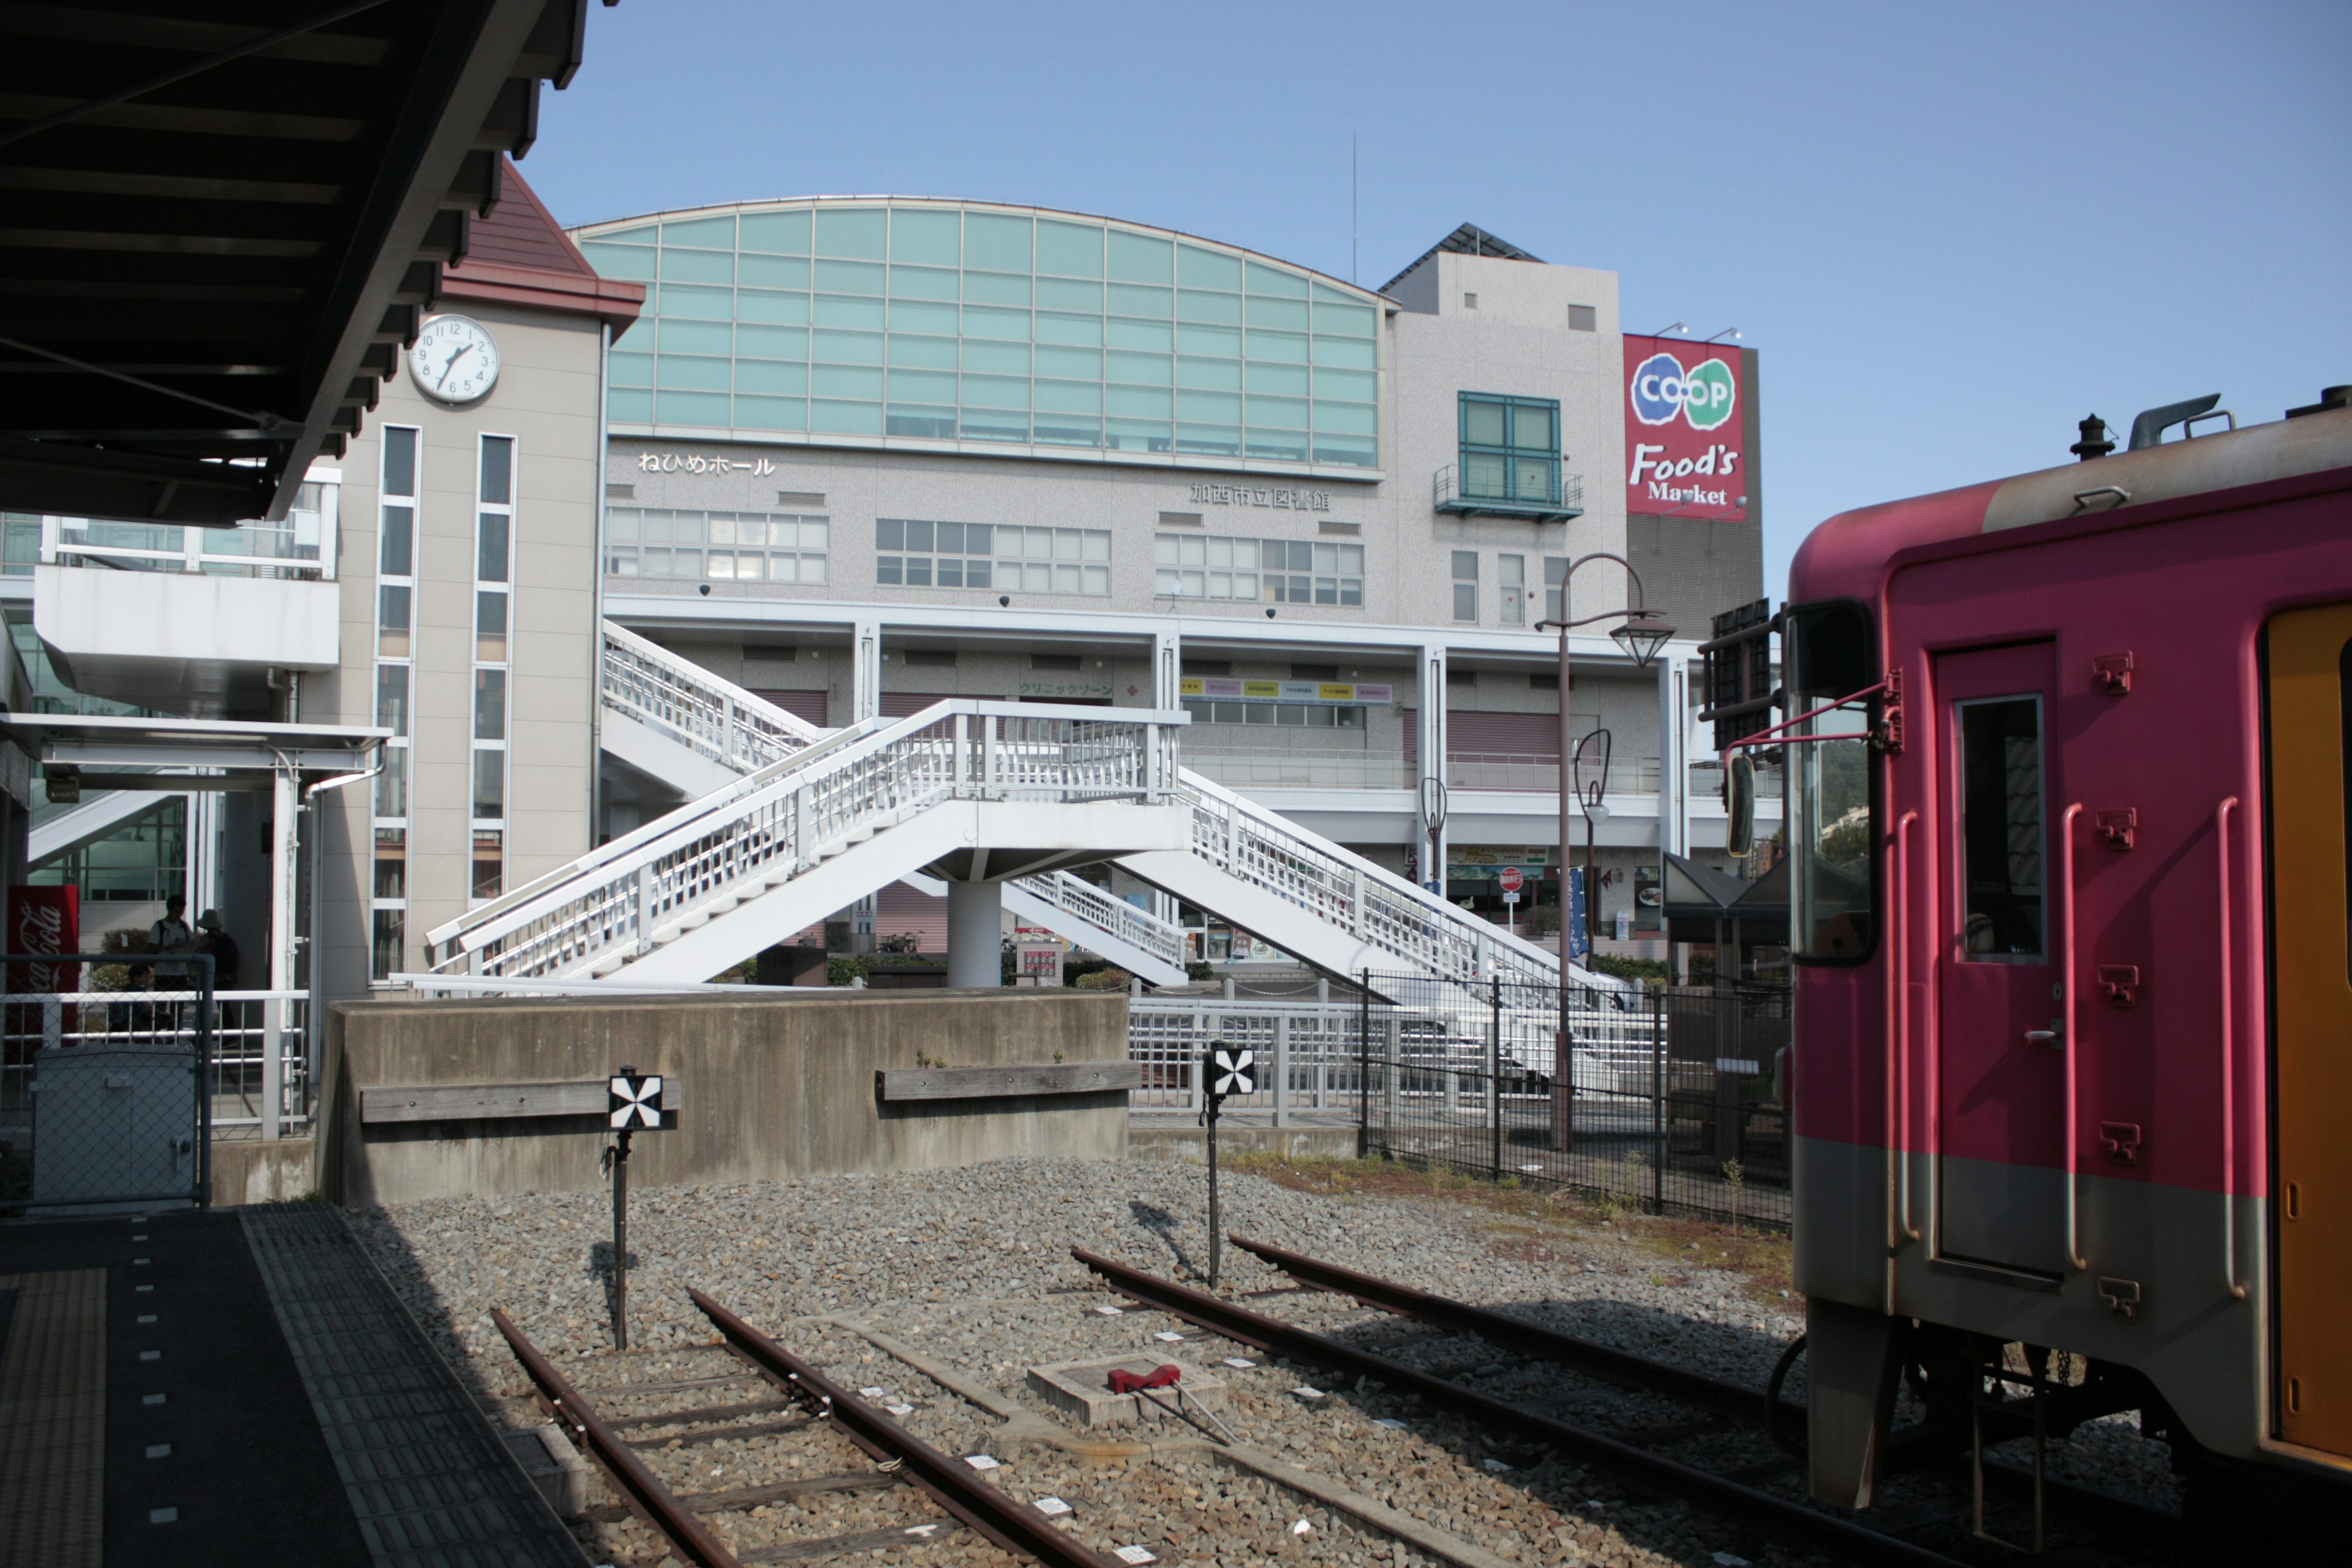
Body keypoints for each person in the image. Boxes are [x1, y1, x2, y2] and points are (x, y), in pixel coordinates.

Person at [197, 910, 240, 990]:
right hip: (228, 977)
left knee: (208, 1001)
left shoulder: (206, 940)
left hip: (213, 977)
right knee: (225, 1001)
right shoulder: (226, 937)